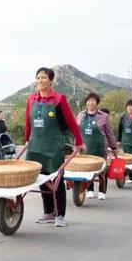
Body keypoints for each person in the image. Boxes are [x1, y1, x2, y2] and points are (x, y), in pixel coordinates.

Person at [24, 67, 86, 227]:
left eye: (43, 77)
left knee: (56, 179)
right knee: (41, 179)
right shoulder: (31, 100)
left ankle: (60, 215)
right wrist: (26, 140)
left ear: (51, 81)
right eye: (38, 77)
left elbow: (72, 122)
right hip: (36, 146)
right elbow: (27, 122)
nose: (40, 80)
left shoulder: (59, 100)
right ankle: (48, 212)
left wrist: (79, 142)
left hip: (54, 146)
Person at [75, 93, 117, 200]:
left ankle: (102, 191)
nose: (90, 103)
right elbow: (77, 132)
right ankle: (90, 190)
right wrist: (76, 147)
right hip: (85, 148)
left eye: (93, 100)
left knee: (101, 170)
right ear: (86, 102)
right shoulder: (80, 115)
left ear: (97, 102)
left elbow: (109, 133)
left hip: (100, 147)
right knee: (87, 170)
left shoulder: (104, 116)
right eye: (88, 101)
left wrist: (113, 148)